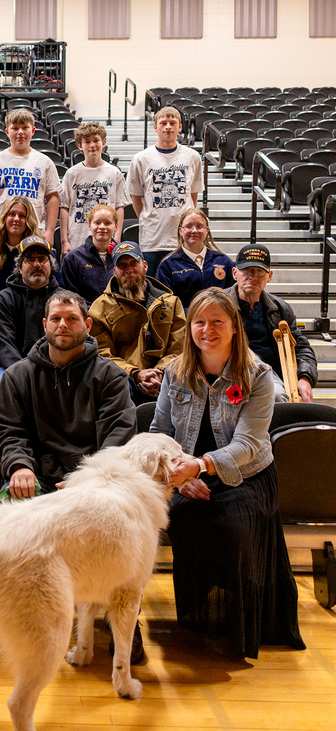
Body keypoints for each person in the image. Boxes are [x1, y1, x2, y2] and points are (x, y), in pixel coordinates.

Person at [152, 288, 304, 659]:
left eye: (217, 321)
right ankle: (198, 619)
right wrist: (183, 477)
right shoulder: (175, 372)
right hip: (188, 476)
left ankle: (234, 627)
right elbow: (159, 431)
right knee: (183, 519)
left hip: (248, 476)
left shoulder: (260, 376)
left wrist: (200, 466)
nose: (207, 330)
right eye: (199, 322)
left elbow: (248, 444)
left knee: (230, 527)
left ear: (235, 326)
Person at [0, 288, 142, 659]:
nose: (63, 325)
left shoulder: (109, 376)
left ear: (87, 326)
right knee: (2, 516)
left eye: (72, 318)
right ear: (44, 325)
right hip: (39, 476)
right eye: (56, 319)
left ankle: (121, 621)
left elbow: (118, 439)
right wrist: (20, 466)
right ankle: (10, 615)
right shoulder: (18, 376)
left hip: (95, 482)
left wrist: (85, 482)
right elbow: (10, 432)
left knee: (116, 534)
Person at [90, 242, 186, 405]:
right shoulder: (100, 308)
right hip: (124, 379)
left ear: (145, 265)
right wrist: (135, 374)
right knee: (114, 383)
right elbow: (103, 354)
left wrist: (160, 372)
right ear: (114, 271)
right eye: (122, 265)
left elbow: (179, 349)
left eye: (134, 263)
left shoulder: (171, 303)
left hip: (166, 377)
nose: (129, 270)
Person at [226, 243, 316, 403]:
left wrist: (305, 378)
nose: (252, 277)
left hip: (269, 374)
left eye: (259, 271)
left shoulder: (281, 309)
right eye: (246, 271)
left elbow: (301, 348)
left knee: (275, 395)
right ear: (234, 273)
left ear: (270, 276)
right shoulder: (218, 304)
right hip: (229, 371)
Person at [126, 106, 204, 276]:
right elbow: (136, 197)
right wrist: (149, 216)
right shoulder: (141, 158)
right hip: (153, 239)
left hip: (184, 239)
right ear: (155, 128)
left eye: (172, 123)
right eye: (163, 123)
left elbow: (193, 194)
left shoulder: (192, 157)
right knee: (154, 290)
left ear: (180, 127)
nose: (168, 126)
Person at [0, 235, 61, 402]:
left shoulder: (63, 300)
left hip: (53, 367)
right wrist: (28, 374)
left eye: (42, 259)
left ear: (51, 266)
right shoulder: (3, 299)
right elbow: (4, 346)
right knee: (1, 385)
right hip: (9, 367)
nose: (37, 264)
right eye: (30, 260)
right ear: (19, 268)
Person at [0, 107, 61, 248]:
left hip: (35, 231)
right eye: (15, 128)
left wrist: (49, 230)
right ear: (7, 132)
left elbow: (52, 197)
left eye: (25, 127)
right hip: (2, 232)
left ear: (33, 130)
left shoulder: (44, 162)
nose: (20, 132)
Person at [59, 121, 128, 255]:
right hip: (77, 239)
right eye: (87, 141)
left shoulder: (115, 173)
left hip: (107, 240)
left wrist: (117, 237)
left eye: (96, 140)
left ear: (104, 142)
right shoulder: (72, 173)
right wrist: (64, 241)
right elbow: (65, 208)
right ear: (79, 146)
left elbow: (119, 207)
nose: (92, 145)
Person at [156, 208, 235, 309]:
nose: (194, 231)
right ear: (181, 231)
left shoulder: (223, 261)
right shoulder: (168, 265)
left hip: (218, 320)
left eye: (199, 226)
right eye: (188, 226)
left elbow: (233, 296)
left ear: (206, 230)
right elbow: (165, 303)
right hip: (184, 322)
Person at [0, 196, 41, 312]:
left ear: (29, 220)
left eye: (22, 216)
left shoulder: (42, 253)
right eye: (12, 214)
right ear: (4, 218)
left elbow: (54, 289)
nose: (16, 219)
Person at [61, 204, 119, 305]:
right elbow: (70, 297)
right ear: (89, 225)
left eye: (108, 223)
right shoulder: (73, 258)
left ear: (116, 226)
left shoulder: (123, 256)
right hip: (86, 315)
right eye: (97, 223)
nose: (102, 227)